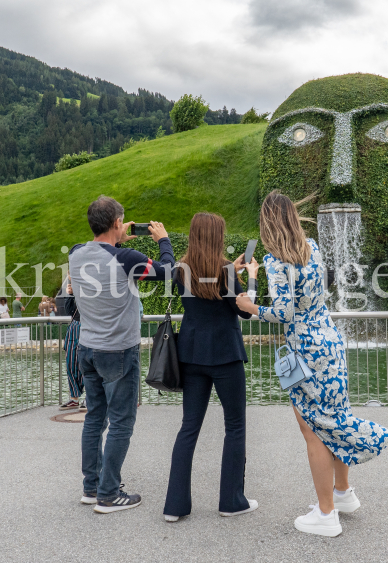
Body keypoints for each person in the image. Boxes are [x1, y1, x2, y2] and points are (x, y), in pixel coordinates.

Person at [236, 191, 388, 538]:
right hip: (331, 342)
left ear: (267, 223)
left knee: (313, 430)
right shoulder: (313, 248)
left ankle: (326, 515)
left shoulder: (275, 262)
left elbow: (284, 313)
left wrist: (250, 308)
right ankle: (342, 493)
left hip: (305, 351)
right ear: (293, 217)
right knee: (332, 419)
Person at [69, 195, 174, 514]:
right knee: (122, 422)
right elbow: (167, 272)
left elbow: (101, 251)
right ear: (118, 223)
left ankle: (92, 487)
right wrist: (164, 240)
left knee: (95, 418)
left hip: (87, 347)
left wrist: (116, 238)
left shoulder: (75, 254)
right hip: (117, 351)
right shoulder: (126, 258)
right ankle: (109, 493)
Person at [163, 212, 258, 523]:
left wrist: (235, 270)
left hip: (191, 355)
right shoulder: (226, 271)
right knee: (235, 427)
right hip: (226, 356)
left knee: (188, 428)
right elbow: (244, 311)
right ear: (218, 237)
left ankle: (174, 506)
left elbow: (206, 287)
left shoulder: (180, 269)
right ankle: (231, 501)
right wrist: (251, 276)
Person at [57, 276, 84, 411]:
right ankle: (74, 398)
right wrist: (70, 294)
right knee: (71, 363)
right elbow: (69, 311)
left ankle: (91, 397)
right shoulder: (75, 287)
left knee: (88, 363)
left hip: (88, 326)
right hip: (75, 326)